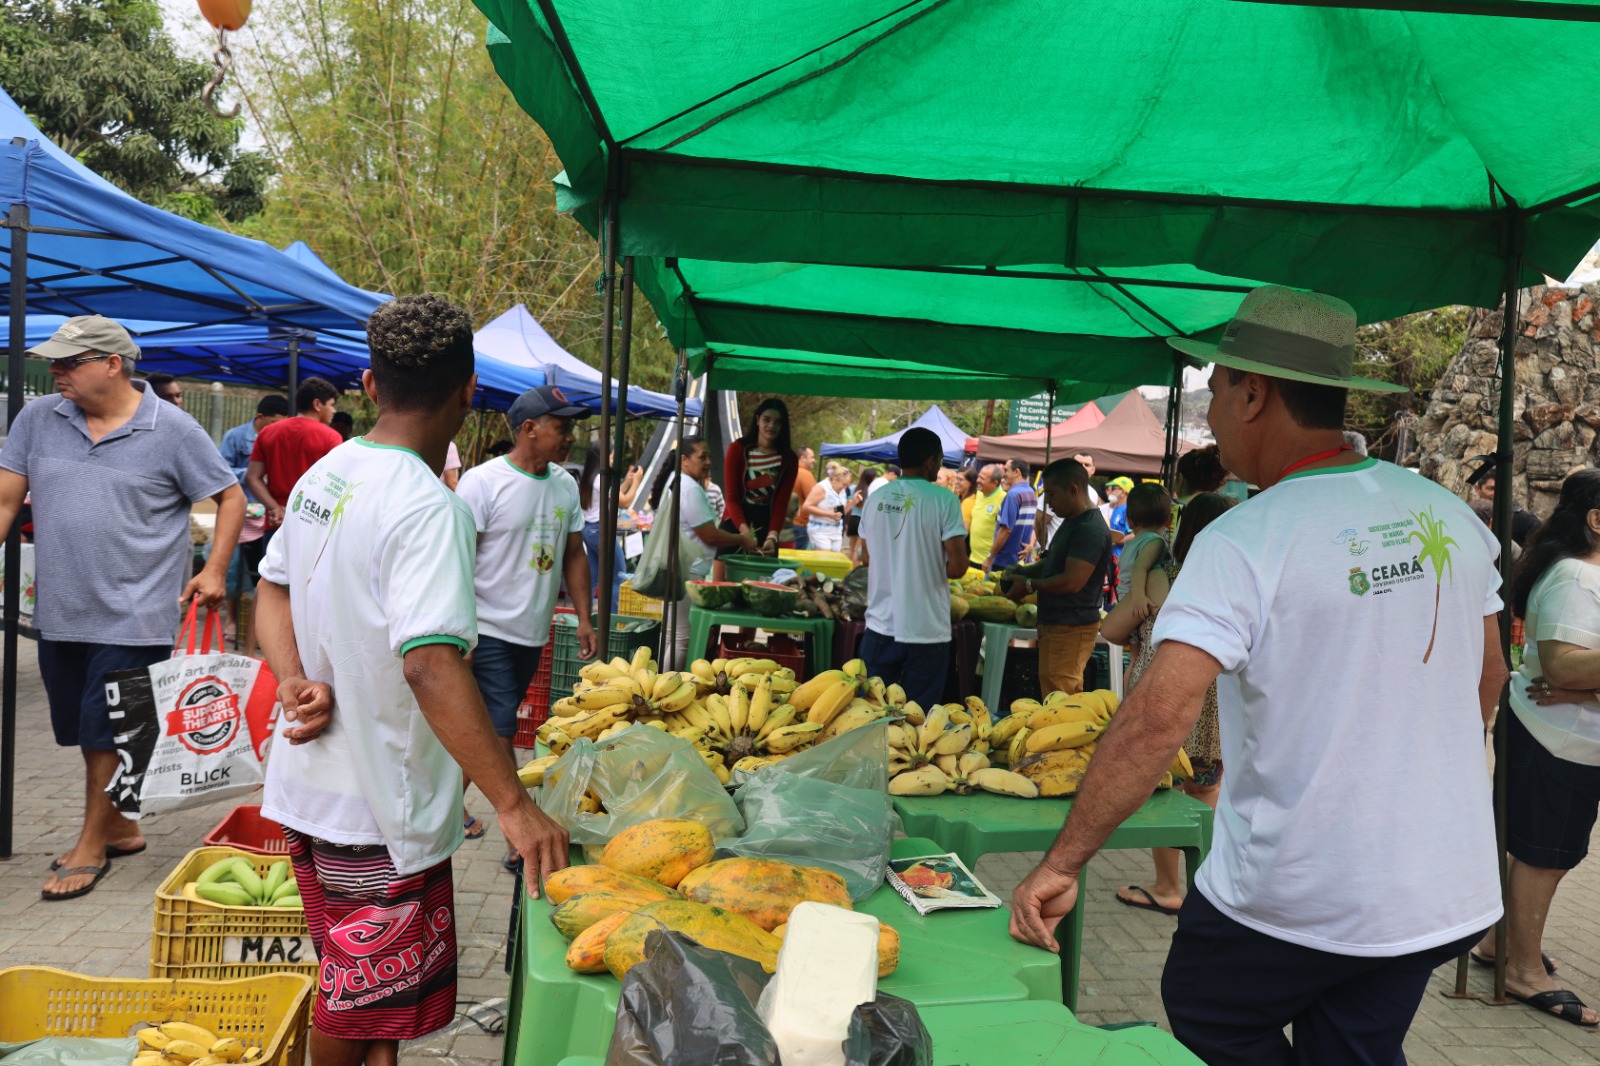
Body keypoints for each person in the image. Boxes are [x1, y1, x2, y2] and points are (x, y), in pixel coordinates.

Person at [1009, 286, 1504, 1065]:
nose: (1209, 411)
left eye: (1216, 388)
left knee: (1207, 1008)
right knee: (1353, 1047)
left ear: (1253, 394)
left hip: (1297, 894)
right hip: (1435, 890)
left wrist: (1063, 862)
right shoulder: (1446, 513)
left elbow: (1157, 717)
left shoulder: (1245, 539)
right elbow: (1490, 675)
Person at [257, 295, 569, 1062]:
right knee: (354, 1002)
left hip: (310, 787)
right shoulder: (432, 508)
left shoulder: (326, 473)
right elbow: (429, 664)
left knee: (374, 1009)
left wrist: (292, 677)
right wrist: (514, 804)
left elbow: (272, 588)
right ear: (469, 390)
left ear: (370, 384)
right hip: (377, 812)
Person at [0, 315, 244, 901]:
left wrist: (214, 569)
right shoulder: (38, 418)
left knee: (105, 733)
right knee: (80, 729)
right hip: (61, 609)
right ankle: (123, 828)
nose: (56, 372)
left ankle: (90, 844)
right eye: (53, 362)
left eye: (68, 362)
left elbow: (231, 496)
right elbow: (6, 500)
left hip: (137, 611)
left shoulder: (174, 429)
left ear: (113, 364)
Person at [1475, 469, 1600, 1027]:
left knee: (1538, 848)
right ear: (1596, 520)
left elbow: (1574, 677)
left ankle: (1497, 942)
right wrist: (1580, 685)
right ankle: (1523, 970)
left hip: (1562, 731)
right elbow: (1562, 668)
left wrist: (1587, 689)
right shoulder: (1576, 576)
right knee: (1544, 854)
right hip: (1558, 736)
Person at [456, 385, 597, 867]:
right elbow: (457, 556)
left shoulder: (564, 485)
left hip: (533, 632)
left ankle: (438, 811)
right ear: (529, 429)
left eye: (572, 428)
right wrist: (460, 628)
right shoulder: (482, 482)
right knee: (501, 728)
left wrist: (584, 617)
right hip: (486, 628)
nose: (570, 437)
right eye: (562, 427)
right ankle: (520, 836)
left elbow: (574, 554)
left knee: (484, 729)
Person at [1101, 492, 1236, 916]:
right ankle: (1204, 889)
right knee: (1206, 789)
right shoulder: (1237, 581)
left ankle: (1167, 886)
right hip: (1215, 703)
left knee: (1167, 792)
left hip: (1166, 697)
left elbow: (1111, 629)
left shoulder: (1164, 575)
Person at [859, 428, 967, 710]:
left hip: (880, 624)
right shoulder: (945, 500)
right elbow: (958, 567)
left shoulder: (875, 499)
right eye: (940, 460)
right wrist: (926, 564)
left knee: (871, 713)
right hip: (926, 628)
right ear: (930, 461)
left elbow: (866, 557)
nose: (940, 467)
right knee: (918, 719)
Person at [1003, 459, 1112, 697]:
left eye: (1052, 494)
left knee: (1061, 696)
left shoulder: (1089, 529)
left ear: (1073, 489)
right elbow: (1054, 563)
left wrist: (1029, 585)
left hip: (1071, 625)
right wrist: (1025, 572)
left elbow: (1072, 581)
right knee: (1057, 690)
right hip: (1058, 623)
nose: (1048, 503)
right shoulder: (1072, 521)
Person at [650, 438, 757, 667]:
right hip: (687, 570)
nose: (708, 462)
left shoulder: (676, 481)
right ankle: (667, 683)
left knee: (670, 634)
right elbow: (710, 535)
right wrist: (742, 539)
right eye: (702, 457)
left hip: (674, 565)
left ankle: (659, 679)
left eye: (709, 456)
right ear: (684, 460)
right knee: (682, 638)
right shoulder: (689, 488)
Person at [219, 394, 291, 645]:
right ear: (260, 417)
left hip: (268, 515)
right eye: (273, 422)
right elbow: (221, 471)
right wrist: (256, 473)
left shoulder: (279, 436)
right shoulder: (235, 437)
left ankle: (259, 631)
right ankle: (231, 620)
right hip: (242, 512)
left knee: (263, 572)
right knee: (234, 567)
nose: (276, 428)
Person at [245, 376, 343, 530]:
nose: (333, 411)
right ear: (317, 404)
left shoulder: (267, 432)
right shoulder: (331, 437)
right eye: (331, 405)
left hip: (277, 521)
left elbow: (252, 477)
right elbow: (337, 485)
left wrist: (275, 508)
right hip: (312, 523)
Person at [719, 398, 799, 566]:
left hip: (767, 527)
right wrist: (745, 533)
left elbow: (781, 503)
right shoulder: (737, 449)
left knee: (762, 579)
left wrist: (772, 537)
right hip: (735, 522)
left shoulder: (789, 459)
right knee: (723, 577)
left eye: (777, 422)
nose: (771, 426)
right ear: (757, 420)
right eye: (766, 420)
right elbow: (732, 498)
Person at [579, 445, 639, 613]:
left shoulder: (590, 478)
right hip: (601, 531)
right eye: (611, 456)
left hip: (588, 530)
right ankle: (612, 621)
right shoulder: (602, 479)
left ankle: (585, 617)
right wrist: (636, 482)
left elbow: (613, 495)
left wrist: (627, 481)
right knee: (617, 577)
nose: (613, 460)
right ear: (603, 458)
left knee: (592, 578)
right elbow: (624, 502)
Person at [1115, 483, 1174, 621]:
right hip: (1137, 600)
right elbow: (1139, 567)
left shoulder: (1130, 544)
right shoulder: (1155, 541)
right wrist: (1139, 597)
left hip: (1124, 597)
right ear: (1169, 520)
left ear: (1129, 522)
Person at [1467, 459, 1542, 548]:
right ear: (1477, 489)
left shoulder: (1524, 521)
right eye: (1491, 489)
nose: (1497, 493)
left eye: (1500, 488)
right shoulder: (1469, 516)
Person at [983, 458, 1036, 577]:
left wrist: (990, 557)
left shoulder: (1013, 495)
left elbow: (1005, 530)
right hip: (1021, 562)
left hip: (1004, 562)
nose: (1003, 474)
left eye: (1006, 470)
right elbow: (1033, 525)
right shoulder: (1031, 493)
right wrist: (1031, 545)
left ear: (1016, 472)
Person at [800, 465, 851, 553]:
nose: (845, 487)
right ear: (835, 480)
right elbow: (806, 506)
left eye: (847, 485)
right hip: (820, 530)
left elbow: (840, 513)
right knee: (824, 558)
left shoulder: (842, 491)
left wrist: (854, 502)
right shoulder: (821, 488)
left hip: (836, 531)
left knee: (834, 559)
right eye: (844, 484)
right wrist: (828, 514)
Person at [968, 464, 1005, 569]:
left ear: (995, 483)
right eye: (978, 476)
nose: (978, 480)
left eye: (982, 478)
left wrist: (990, 558)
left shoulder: (1004, 499)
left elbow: (1006, 530)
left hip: (988, 563)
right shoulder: (979, 493)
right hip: (973, 558)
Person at [845, 468, 879, 566]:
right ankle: (855, 569)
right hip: (862, 520)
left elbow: (848, 504)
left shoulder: (853, 488)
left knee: (851, 548)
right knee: (858, 549)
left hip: (852, 519)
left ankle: (850, 568)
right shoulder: (872, 490)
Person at [792, 445, 818, 550]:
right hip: (800, 524)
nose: (814, 460)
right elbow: (815, 501)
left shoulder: (789, 471)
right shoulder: (805, 475)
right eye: (812, 457)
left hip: (786, 523)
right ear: (802, 458)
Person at [1105, 476, 1133, 557]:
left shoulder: (1128, 509)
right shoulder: (1116, 507)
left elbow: (1134, 535)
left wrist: (1117, 541)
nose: (1110, 491)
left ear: (1123, 492)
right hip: (1113, 555)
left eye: (1113, 488)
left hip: (1122, 557)